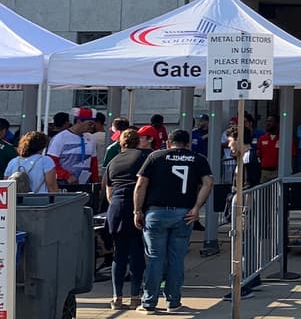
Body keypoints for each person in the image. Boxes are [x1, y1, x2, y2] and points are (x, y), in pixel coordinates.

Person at [132, 130, 214, 314]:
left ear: (168, 143)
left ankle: (149, 303)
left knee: (154, 257)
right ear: (187, 144)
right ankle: (173, 301)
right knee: (176, 259)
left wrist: (137, 210)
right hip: (183, 213)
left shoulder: (155, 156)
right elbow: (208, 182)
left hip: (156, 212)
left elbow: (140, 185)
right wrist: (196, 207)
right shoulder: (197, 159)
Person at [103, 128, 151, 308]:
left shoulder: (113, 161)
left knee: (119, 254)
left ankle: (117, 297)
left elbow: (108, 193)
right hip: (135, 205)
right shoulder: (144, 157)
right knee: (137, 251)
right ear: (138, 141)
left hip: (116, 207)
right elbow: (146, 184)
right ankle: (135, 296)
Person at [48, 107, 97, 185]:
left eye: (94, 124)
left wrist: (95, 182)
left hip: (85, 184)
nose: (92, 127)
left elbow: (93, 163)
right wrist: (66, 176)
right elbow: (51, 162)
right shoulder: (60, 137)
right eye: (90, 124)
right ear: (79, 121)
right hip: (63, 183)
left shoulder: (91, 138)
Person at [256, 114, 281, 182]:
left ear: (277, 123)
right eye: (267, 121)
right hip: (264, 172)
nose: (268, 123)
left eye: (270, 121)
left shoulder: (283, 139)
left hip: (278, 172)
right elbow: (259, 154)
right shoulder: (262, 138)